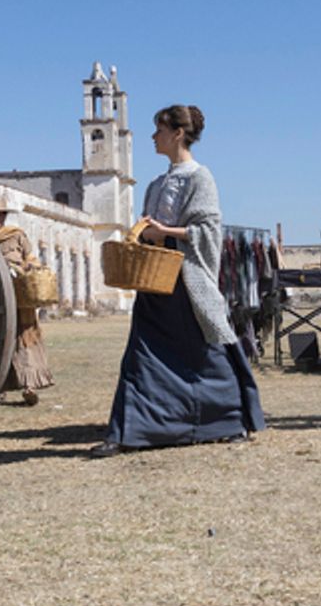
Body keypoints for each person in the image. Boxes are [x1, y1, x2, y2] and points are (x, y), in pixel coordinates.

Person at [94, 105, 265, 456]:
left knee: (207, 352)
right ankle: (128, 432)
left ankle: (229, 421)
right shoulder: (156, 184)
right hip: (155, 280)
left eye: (159, 130)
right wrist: (145, 233)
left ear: (177, 134)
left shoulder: (200, 177)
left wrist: (166, 232)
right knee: (143, 356)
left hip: (187, 283)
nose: (153, 136)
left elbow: (209, 231)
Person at [0, 195, 53, 405]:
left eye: (0, 214)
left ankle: (29, 385)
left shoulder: (17, 236)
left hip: (17, 293)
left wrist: (31, 267)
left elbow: (31, 258)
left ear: (5, 216)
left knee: (22, 338)